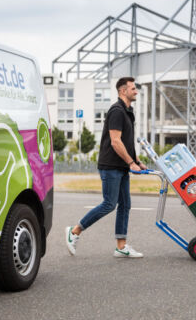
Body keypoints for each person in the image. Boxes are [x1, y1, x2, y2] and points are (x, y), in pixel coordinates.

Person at [65, 77, 147, 258]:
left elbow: (127, 142)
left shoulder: (127, 111)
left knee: (125, 205)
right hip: (111, 166)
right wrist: (131, 163)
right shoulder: (117, 111)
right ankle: (74, 231)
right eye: (133, 89)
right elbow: (116, 141)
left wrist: (136, 160)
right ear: (122, 91)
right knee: (109, 204)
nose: (136, 91)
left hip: (121, 166)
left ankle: (121, 246)